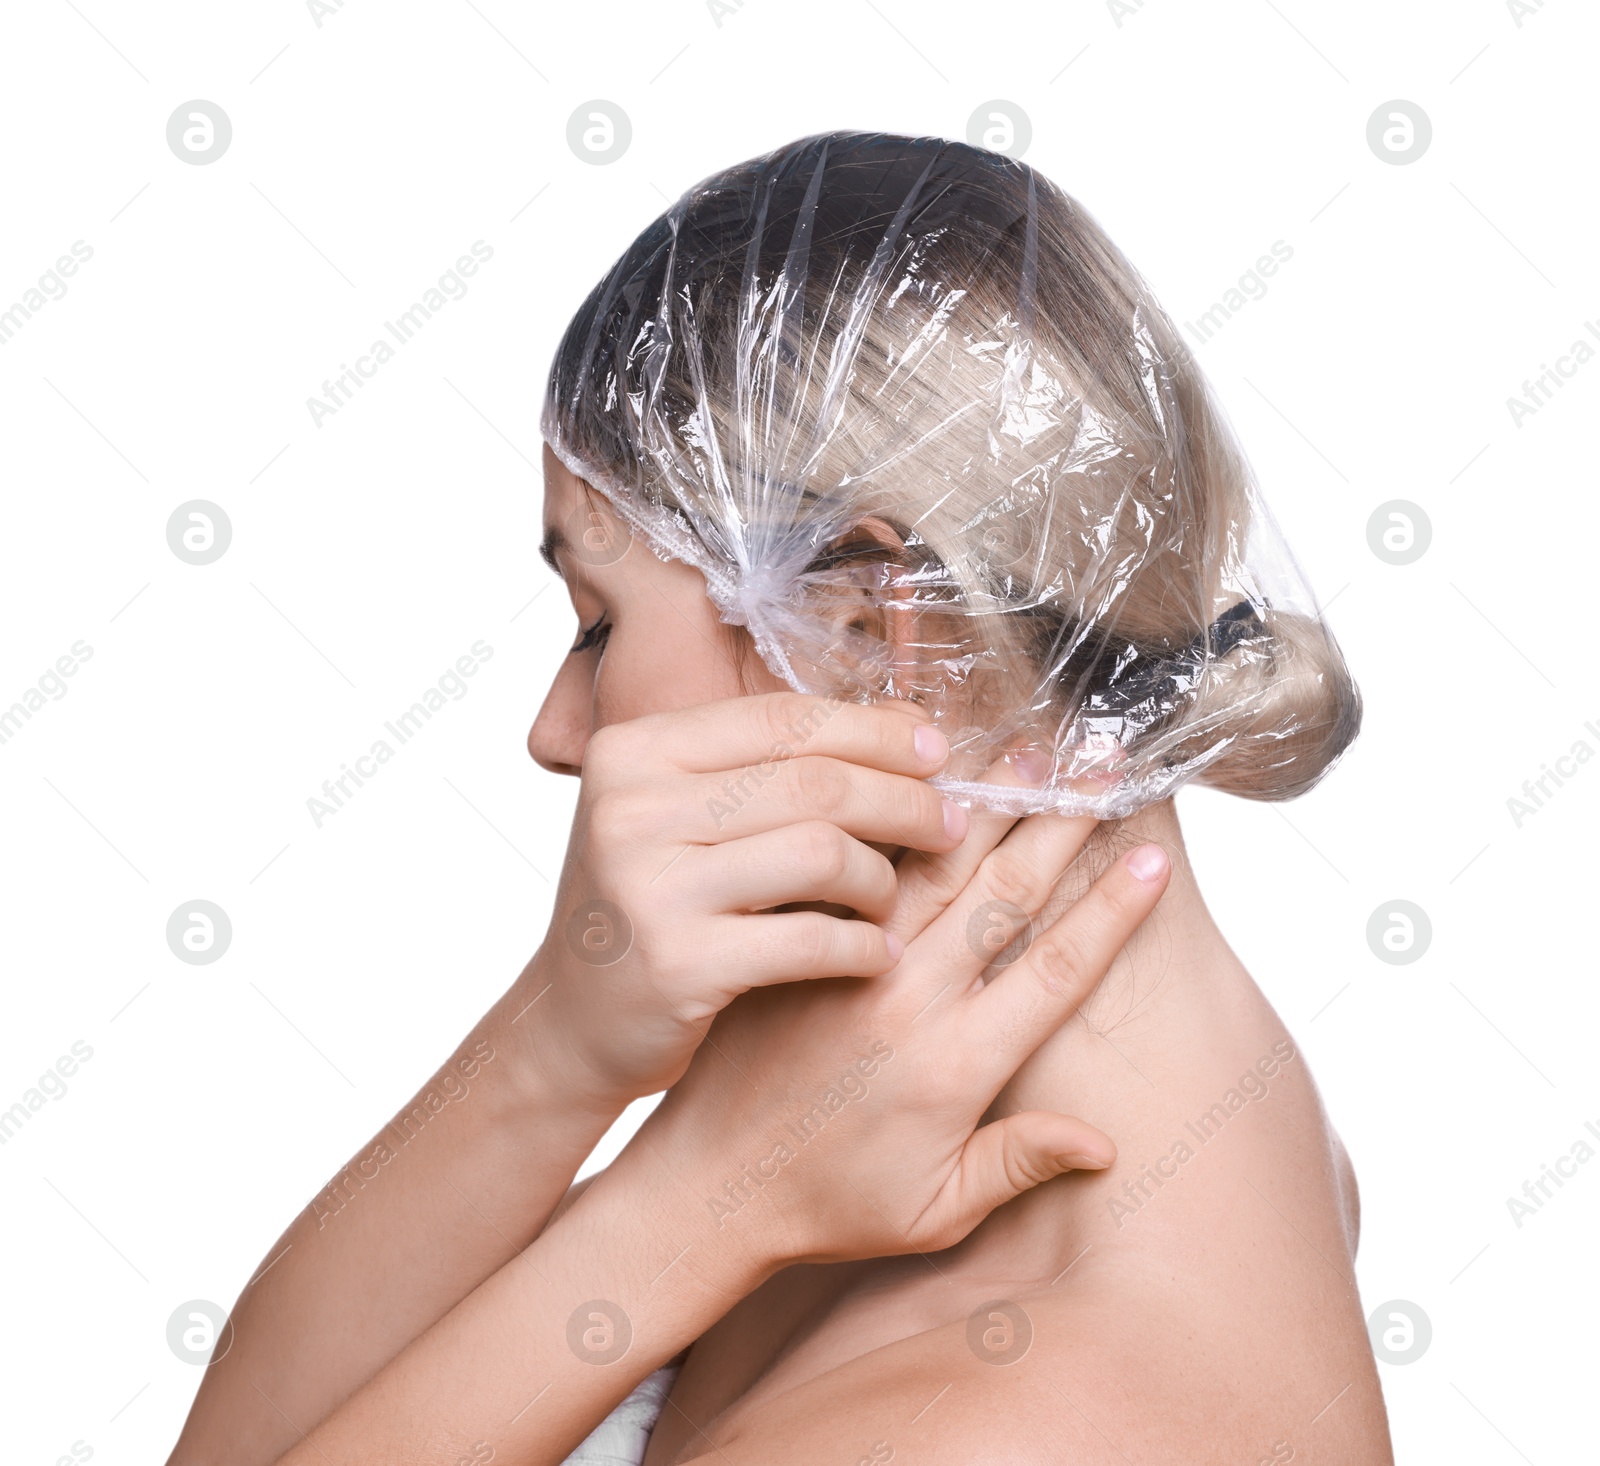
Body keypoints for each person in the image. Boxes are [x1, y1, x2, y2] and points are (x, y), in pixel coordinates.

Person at [168, 132, 1391, 1465]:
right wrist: (559, 1046)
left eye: (595, 623)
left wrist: (692, 1207)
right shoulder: (1019, 1113)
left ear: (868, 631)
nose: (554, 730)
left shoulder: (967, 1420)